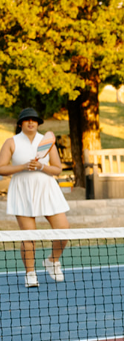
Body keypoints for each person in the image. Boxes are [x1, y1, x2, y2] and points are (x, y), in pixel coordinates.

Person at [0, 108, 70, 287]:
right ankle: (30, 273)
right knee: (29, 236)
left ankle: (52, 261)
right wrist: (23, 166)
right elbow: (1, 168)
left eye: (34, 120)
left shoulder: (46, 142)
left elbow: (57, 168)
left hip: (47, 189)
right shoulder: (11, 142)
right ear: (20, 123)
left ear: (38, 123)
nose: (31, 122)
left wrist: (41, 167)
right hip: (22, 191)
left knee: (63, 230)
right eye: (27, 120)